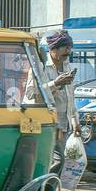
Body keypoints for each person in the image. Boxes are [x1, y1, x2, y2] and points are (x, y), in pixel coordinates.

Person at [26, 29, 78, 169]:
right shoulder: (40, 67)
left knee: (61, 162)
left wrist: (75, 120)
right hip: (46, 124)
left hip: (63, 124)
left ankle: (48, 188)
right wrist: (55, 83)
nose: (68, 52)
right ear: (53, 49)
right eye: (65, 48)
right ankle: (46, 189)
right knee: (57, 161)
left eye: (70, 48)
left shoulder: (66, 65)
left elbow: (70, 96)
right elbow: (31, 94)